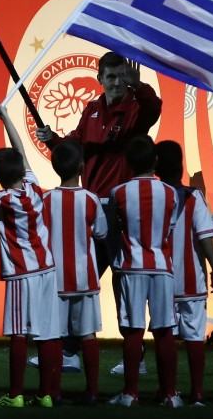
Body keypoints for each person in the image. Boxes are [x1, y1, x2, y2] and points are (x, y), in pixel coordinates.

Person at [35, 51, 161, 373]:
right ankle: (69, 350)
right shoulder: (91, 110)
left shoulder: (135, 108)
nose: (117, 82)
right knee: (82, 277)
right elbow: (74, 147)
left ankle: (135, 357)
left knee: (123, 282)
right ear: (100, 79)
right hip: (92, 209)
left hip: (120, 210)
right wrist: (53, 141)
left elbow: (154, 108)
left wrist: (139, 86)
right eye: (111, 77)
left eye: (122, 76)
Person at [0, 104, 62, 408]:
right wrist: (6, 118)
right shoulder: (33, 185)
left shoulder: (1, 198)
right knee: (47, 332)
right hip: (47, 269)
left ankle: (15, 395)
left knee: (18, 332)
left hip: (21, 274)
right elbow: (22, 152)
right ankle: (46, 395)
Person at [108, 134, 181, 408]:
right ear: (156, 160)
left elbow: (112, 229)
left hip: (131, 266)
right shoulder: (171, 193)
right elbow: (170, 228)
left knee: (133, 330)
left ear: (128, 162)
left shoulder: (119, 192)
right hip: (161, 266)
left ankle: (130, 394)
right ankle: (170, 394)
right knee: (164, 330)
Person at [154, 140, 213, 407]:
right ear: (181, 164)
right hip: (191, 281)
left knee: (165, 336)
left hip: (161, 280)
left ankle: (168, 392)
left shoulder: (155, 195)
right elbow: (205, 236)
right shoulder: (194, 196)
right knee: (194, 337)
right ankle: (197, 394)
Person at [42, 139, 108, 405]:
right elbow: (101, 233)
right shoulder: (91, 199)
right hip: (85, 278)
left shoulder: (46, 199)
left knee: (54, 336)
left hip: (55, 278)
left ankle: (53, 392)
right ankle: (92, 392)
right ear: (82, 166)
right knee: (88, 334)